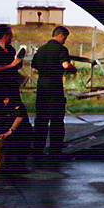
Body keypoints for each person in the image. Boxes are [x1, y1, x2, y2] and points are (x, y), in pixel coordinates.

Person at [30, 26, 76, 158]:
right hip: (55, 86)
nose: (65, 41)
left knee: (41, 118)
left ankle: (38, 148)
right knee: (56, 118)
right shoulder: (61, 49)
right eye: (65, 38)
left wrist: (45, 70)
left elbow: (34, 69)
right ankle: (55, 149)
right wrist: (73, 68)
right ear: (61, 35)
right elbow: (65, 65)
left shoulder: (41, 50)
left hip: (41, 86)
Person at [0, 25, 24, 106]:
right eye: (10, 36)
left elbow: (14, 67)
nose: (12, 38)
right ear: (5, 36)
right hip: (0, 87)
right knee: (0, 113)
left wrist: (18, 63)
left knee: (20, 113)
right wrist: (11, 65)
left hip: (12, 86)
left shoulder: (11, 49)